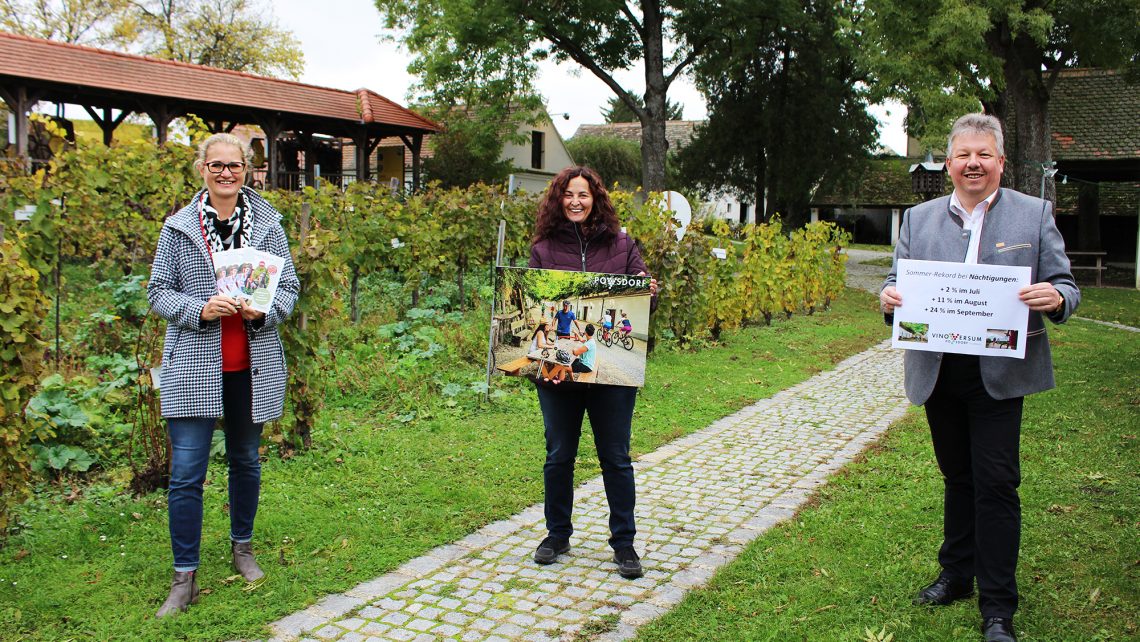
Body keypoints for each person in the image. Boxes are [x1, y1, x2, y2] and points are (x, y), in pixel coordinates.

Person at [880, 114, 1079, 642]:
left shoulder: (1033, 214)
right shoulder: (918, 219)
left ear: (1000, 163)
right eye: (963, 155)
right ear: (948, 163)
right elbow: (896, 282)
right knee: (957, 477)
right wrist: (888, 298)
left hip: (999, 370)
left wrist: (1056, 297)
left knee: (996, 482)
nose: (973, 163)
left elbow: (1065, 283)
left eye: (984, 155)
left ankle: (997, 607)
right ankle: (957, 572)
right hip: (938, 367)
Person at [148, 133, 300, 618]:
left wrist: (264, 313)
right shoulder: (178, 228)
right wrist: (200, 308)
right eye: (216, 165)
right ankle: (184, 576)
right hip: (194, 367)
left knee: (246, 461)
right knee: (187, 474)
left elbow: (290, 286)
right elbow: (157, 292)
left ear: (247, 170)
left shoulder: (268, 225)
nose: (225, 173)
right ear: (202, 169)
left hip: (249, 368)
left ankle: (242, 548)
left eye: (234, 166)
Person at [528, 166, 657, 579]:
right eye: (568, 194)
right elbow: (535, 309)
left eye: (583, 195)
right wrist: (539, 363)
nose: (575, 201)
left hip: (612, 370)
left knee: (615, 457)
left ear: (596, 199)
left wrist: (647, 293)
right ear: (558, 199)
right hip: (558, 371)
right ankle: (557, 534)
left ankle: (624, 544)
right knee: (558, 455)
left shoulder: (621, 244)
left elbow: (640, 307)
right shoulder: (544, 247)